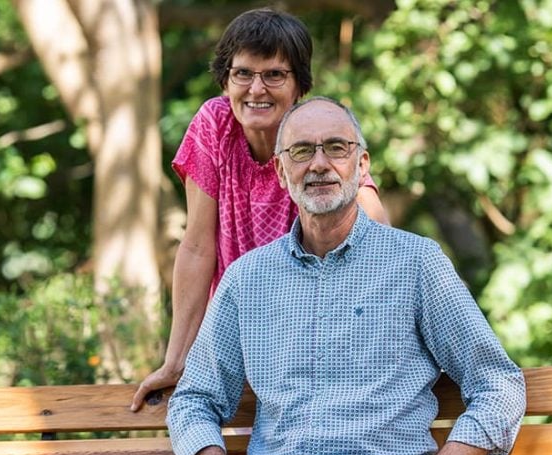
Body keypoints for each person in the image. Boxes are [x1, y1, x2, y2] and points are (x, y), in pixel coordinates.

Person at [166, 97, 527, 455]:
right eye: (301, 151)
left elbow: (499, 383)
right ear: (279, 171)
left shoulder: (415, 263)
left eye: (336, 148)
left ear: (361, 163)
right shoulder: (246, 279)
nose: (319, 164)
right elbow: (194, 397)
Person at [130, 8, 388, 411]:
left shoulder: (313, 132)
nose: (256, 89)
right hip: (238, 335)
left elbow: (375, 224)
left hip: (312, 342)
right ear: (226, 79)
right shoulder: (214, 124)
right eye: (243, 74)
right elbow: (198, 246)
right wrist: (176, 359)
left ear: (299, 85)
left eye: (274, 75)